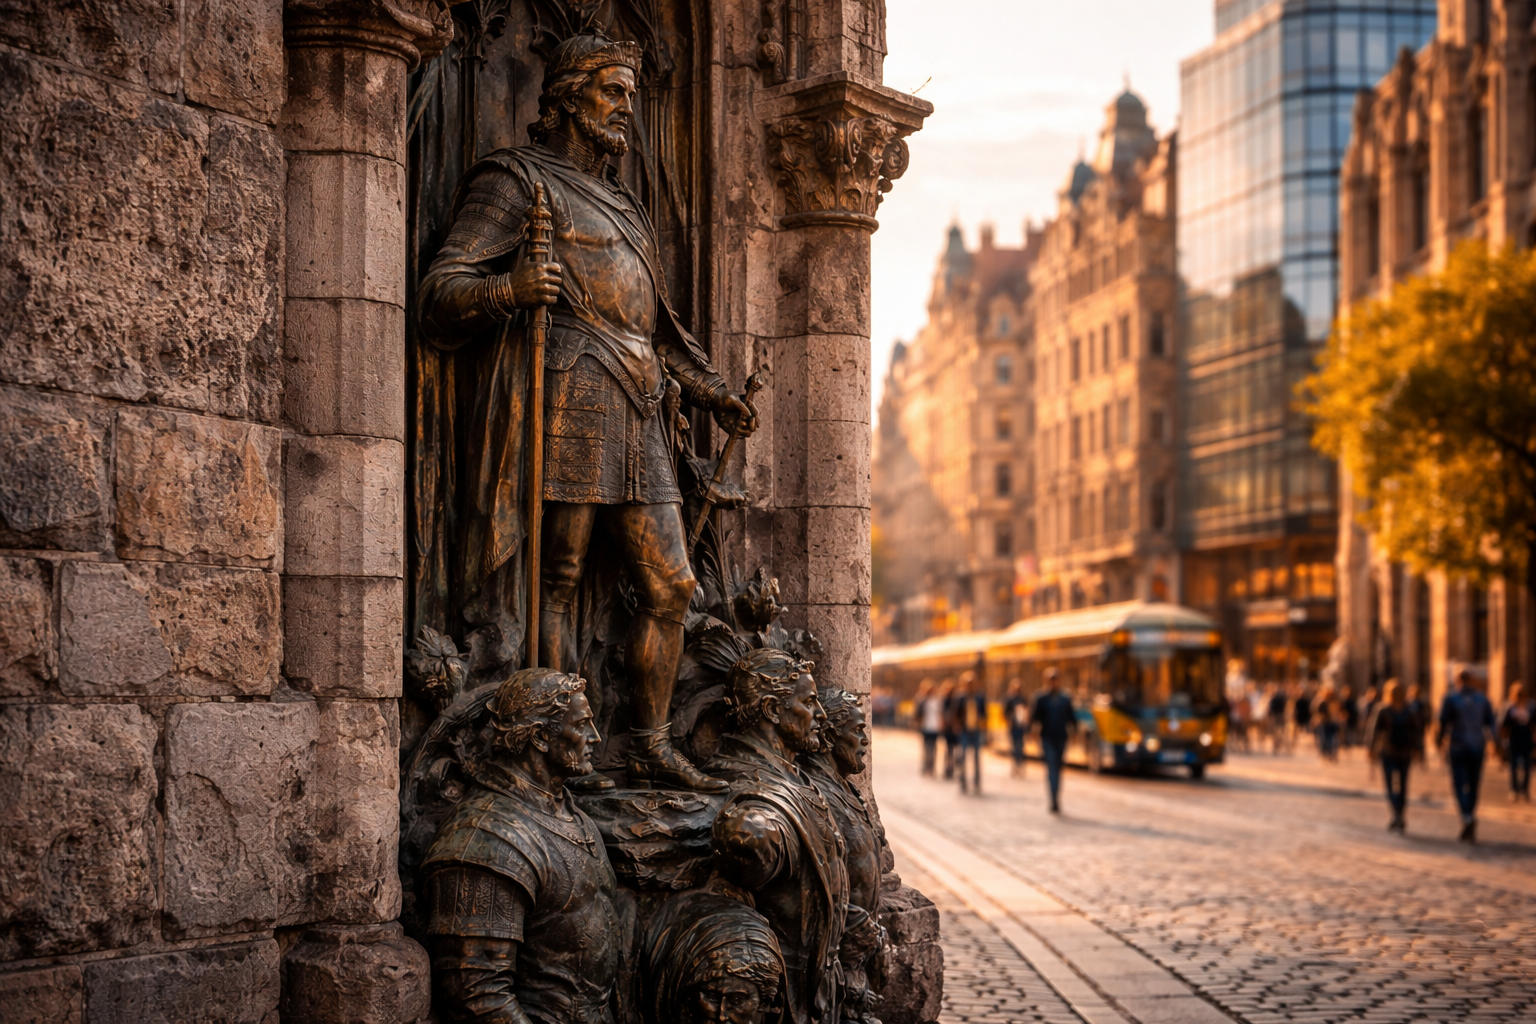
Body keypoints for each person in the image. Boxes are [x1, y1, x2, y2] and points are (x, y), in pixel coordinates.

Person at [417, 32, 760, 794]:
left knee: (671, 584)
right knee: (559, 576)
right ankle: (549, 739)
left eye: (632, 96)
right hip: (567, 392)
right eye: (612, 92)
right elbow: (443, 289)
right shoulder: (517, 183)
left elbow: (657, 329)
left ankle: (646, 740)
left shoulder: (628, 207)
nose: (625, 110)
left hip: (637, 404)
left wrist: (713, 393)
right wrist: (507, 291)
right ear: (569, 95)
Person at [421, 669, 620, 1024]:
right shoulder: (487, 838)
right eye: (582, 725)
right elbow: (478, 996)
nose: (595, 737)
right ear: (541, 736)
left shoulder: (572, 814)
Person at [1437, 668, 1497, 842]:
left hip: (1458, 746)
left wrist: (1439, 742)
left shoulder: (1451, 698)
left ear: (1458, 681)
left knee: (1459, 784)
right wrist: (1496, 743)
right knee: (1474, 783)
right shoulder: (1482, 699)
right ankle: (1470, 813)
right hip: (1477, 746)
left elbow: (1442, 723)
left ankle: (1466, 816)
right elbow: (1491, 724)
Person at [1367, 679, 1425, 833]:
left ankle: (1396, 814)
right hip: (1405, 753)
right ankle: (1400, 813)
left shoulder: (1382, 709)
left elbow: (1373, 731)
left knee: (1390, 786)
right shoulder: (1410, 710)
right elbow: (1417, 733)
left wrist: (1371, 750)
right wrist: (1420, 751)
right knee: (1403, 786)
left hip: (1388, 752)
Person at [1030, 668, 1077, 813]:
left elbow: (1071, 718)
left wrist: (1074, 733)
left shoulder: (1065, 698)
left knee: (1058, 768)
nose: (1053, 682)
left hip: (1061, 737)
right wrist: (1033, 733)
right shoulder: (1040, 697)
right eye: (1051, 680)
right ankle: (1053, 800)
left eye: (1056, 679)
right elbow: (1034, 717)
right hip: (1047, 737)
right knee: (1051, 767)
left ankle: (1057, 795)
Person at [1498, 681, 1533, 802]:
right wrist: (1514, 719)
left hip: (1527, 740)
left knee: (1528, 767)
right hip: (1513, 740)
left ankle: (1524, 790)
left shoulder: (1531, 706)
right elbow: (1502, 725)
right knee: (1513, 767)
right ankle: (1514, 789)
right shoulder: (1509, 707)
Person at [952, 672, 987, 794]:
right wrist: (957, 725)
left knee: (977, 756)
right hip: (965, 730)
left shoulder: (980, 697)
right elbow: (955, 713)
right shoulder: (960, 697)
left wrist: (984, 726)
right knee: (963, 756)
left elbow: (984, 713)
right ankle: (963, 781)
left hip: (976, 730)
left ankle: (977, 781)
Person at [915, 679, 942, 776]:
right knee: (926, 748)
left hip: (935, 726)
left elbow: (940, 714)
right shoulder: (922, 700)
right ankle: (926, 766)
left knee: (933, 748)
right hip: (926, 726)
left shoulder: (938, 701)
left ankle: (931, 767)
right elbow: (918, 713)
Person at [1003, 679, 1029, 778]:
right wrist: (1009, 719)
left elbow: (1027, 710)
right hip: (1013, 726)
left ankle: (1020, 765)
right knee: (1014, 747)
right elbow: (1005, 711)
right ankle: (1015, 765)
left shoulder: (1023, 698)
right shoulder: (1009, 698)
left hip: (1021, 726)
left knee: (1020, 746)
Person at [939, 679, 958, 780]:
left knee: (954, 750)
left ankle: (952, 768)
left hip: (954, 728)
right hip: (948, 728)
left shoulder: (956, 700)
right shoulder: (944, 700)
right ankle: (948, 769)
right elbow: (942, 713)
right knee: (949, 750)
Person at [1266, 684, 1289, 754]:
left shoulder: (1273, 699)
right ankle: (1280, 743)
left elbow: (1270, 709)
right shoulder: (1283, 699)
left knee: (1275, 732)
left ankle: (1276, 745)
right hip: (1281, 716)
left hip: (1275, 717)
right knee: (1281, 731)